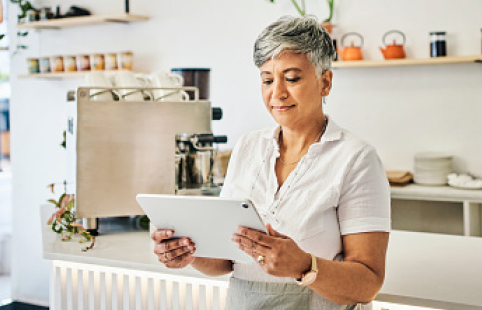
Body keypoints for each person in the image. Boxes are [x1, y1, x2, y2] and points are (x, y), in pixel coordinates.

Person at [151, 16, 391, 310]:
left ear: (325, 82)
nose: (276, 93)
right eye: (267, 79)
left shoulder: (356, 159)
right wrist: (189, 253)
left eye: (291, 78)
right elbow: (226, 261)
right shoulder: (248, 147)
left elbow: (368, 284)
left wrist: (304, 265)